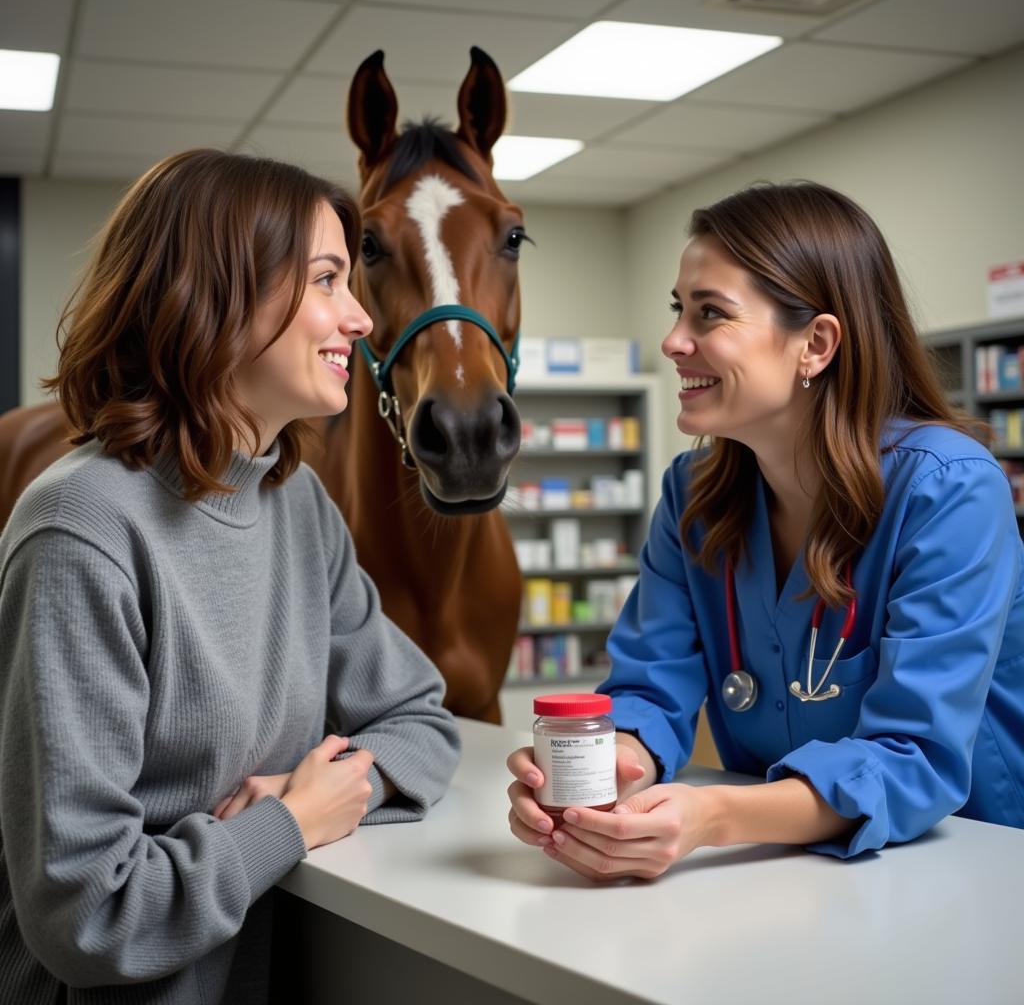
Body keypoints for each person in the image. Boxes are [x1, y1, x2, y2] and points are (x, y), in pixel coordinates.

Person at [0, 149, 460, 1002]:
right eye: (327, 280)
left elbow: (423, 723)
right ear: (214, 294)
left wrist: (319, 788)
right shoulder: (82, 529)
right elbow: (87, 914)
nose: (361, 320)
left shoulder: (298, 503)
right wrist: (289, 823)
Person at [507, 180, 1024, 879]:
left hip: (958, 863)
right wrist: (599, 769)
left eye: (710, 314)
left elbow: (914, 755)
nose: (672, 341)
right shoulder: (692, 497)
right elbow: (650, 690)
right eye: (678, 310)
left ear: (815, 343)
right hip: (772, 867)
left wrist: (713, 816)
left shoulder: (949, 489)